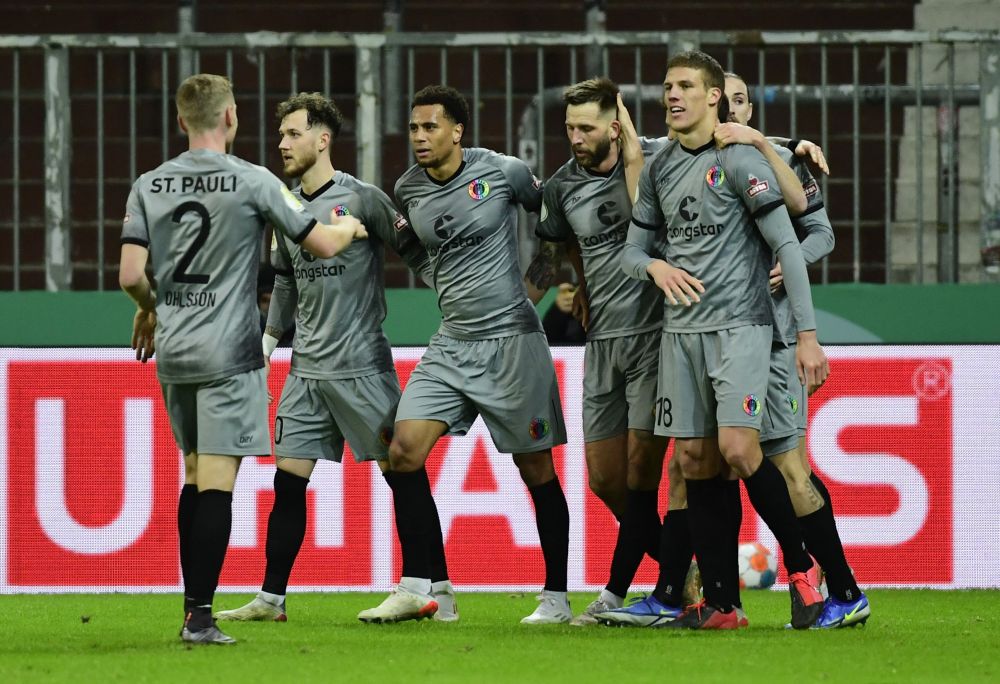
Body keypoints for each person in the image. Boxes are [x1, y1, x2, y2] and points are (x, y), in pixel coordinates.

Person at [118, 74, 366, 645]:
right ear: (231, 117)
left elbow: (131, 275)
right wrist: (349, 225)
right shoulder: (255, 181)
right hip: (231, 353)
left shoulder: (148, 184)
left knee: (193, 472)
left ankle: (192, 608)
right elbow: (323, 243)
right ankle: (200, 620)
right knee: (217, 483)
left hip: (175, 351)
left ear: (182, 121)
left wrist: (150, 308)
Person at [618, 50, 829, 630]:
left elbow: (789, 244)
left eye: (685, 86)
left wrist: (807, 336)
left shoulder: (739, 160)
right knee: (693, 460)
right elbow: (634, 249)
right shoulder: (660, 168)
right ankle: (722, 605)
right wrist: (654, 269)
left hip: (742, 326)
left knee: (739, 449)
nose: (672, 96)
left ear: (715, 97)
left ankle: (803, 569)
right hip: (681, 333)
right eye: (667, 87)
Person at [212, 93, 442, 623]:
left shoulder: (363, 200)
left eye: (293, 134)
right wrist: (267, 348)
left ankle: (422, 586)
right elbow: (287, 284)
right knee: (287, 482)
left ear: (322, 139)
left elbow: (417, 257)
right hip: (306, 371)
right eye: (281, 134)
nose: (282, 144)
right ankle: (271, 600)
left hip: (362, 366)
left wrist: (461, 305)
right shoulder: (286, 208)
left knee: (402, 472)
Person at [357, 84, 572, 625]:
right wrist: (432, 274)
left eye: (431, 127)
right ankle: (434, 589)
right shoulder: (408, 187)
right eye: (413, 128)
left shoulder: (503, 170)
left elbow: (550, 215)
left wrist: (536, 284)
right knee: (402, 451)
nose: (420, 137)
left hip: (512, 343)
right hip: (452, 341)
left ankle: (556, 597)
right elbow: (406, 242)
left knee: (536, 468)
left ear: (458, 131)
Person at [525, 77, 695, 625]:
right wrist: (534, 301)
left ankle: (621, 593)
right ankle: (682, 570)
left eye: (587, 126)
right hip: (602, 345)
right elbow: (555, 255)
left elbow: (721, 141)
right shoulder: (559, 188)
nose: (575, 136)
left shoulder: (658, 159)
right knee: (604, 480)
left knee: (644, 471)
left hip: (654, 338)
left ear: (614, 125)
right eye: (569, 126)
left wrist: (793, 148)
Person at [715, 72, 870, 628]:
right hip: (718, 340)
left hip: (773, 336)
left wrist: (793, 258)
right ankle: (712, 597)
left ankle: (822, 581)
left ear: (750, 109)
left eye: (738, 101)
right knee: (714, 465)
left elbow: (821, 231)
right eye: (721, 100)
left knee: (785, 464)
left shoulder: (782, 158)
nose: (729, 110)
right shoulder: (686, 161)